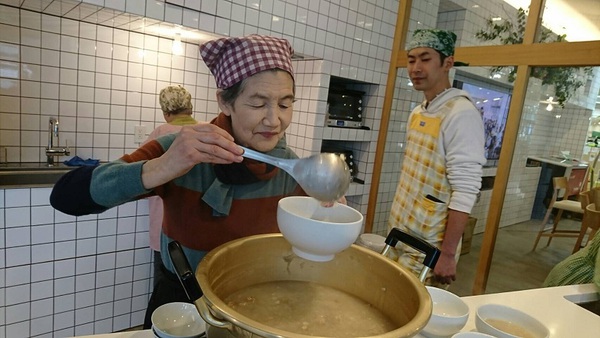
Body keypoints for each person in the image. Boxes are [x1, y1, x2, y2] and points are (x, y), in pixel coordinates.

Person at [50, 34, 305, 328]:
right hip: (182, 304)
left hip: (255, 308)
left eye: (285, 105)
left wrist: (326, 217)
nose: (274, 120)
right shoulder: (182, 148)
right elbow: (66, 196)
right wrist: (163, 166)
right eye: (258, 104)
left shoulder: (292, 168)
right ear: (225, 102)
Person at [387, 29, 486, 286]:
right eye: (411, 60)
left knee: (408, 314)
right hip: (400, 231)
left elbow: (466, 190)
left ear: (448, 63)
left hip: (428, 245)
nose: (416, 68)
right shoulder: (418, 111)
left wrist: (448, 254)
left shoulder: (461, 113)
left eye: (425, 58)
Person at [142, 85, 198, 287]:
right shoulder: (205, 132)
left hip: (166, 223)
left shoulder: (161, 133)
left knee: (165, 282)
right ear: (191, 109)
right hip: (198, 227)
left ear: (166, 113)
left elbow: (139, 172)